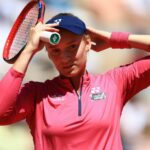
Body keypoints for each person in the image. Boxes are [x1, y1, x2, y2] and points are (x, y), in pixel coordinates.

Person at [0, 13, 150, 150]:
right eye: (55, 50)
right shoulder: (36, 94)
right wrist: (28, 50)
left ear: (88, 43)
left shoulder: (115, 82)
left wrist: (112, 39)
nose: (65, 58)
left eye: (72, 46)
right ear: (48, 54)